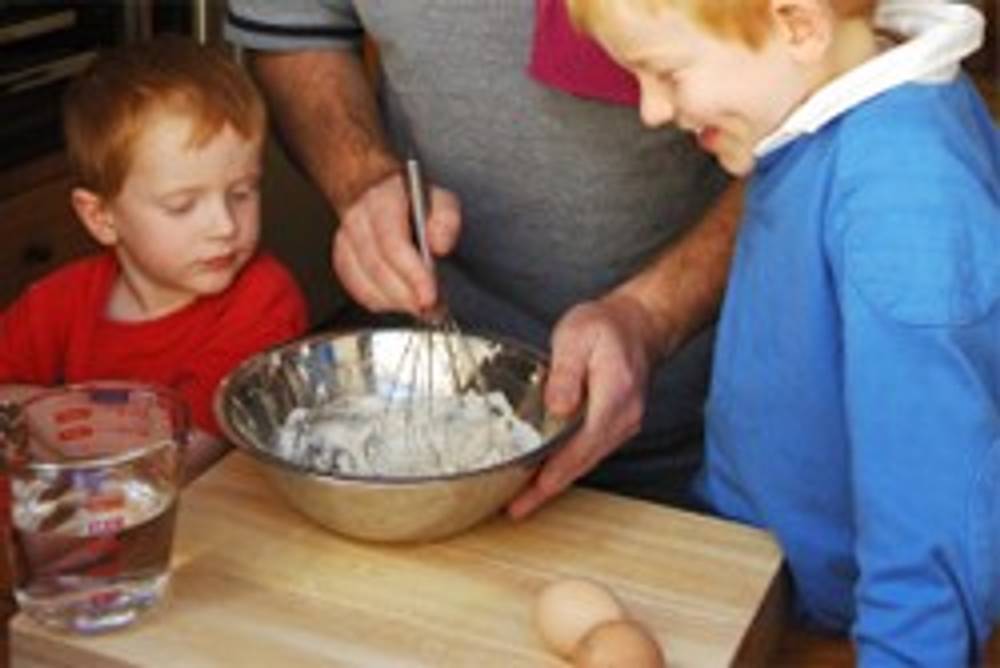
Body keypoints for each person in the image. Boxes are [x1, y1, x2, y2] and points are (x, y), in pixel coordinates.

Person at [567, 0, 1000, 663]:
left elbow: (931, 529)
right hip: (762, 583)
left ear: (799, 25)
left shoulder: (906, 198)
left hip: (843, 637)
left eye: (667, 73)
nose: (651, 110)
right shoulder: (818, 117)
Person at [224, 1, 744, 518]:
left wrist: (654, 314)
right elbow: (293, 29)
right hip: (404, 410)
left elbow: (790, 120)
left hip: (696, 424)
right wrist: (361, 179)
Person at [0, 35, 309, 483]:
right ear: (102, 217)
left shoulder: (264, 300)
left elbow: (174, 463)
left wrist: (51, 421)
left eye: (242, 193)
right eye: (182, 206)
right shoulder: (56, 302)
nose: (224, 225)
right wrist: (50, 412)